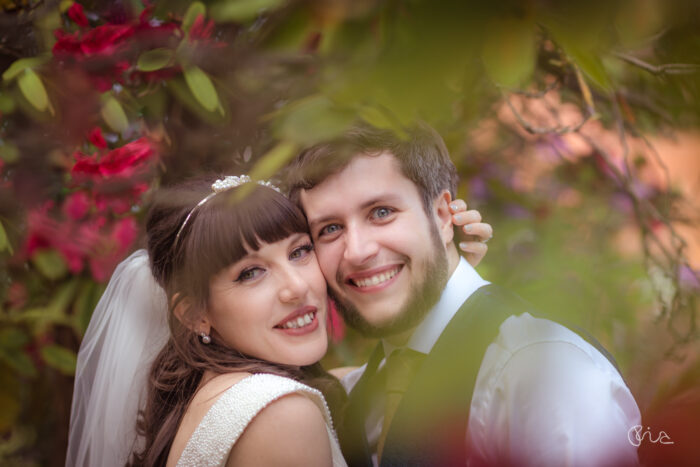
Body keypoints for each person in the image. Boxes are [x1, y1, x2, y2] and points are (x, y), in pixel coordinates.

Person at [66, 175, 490, 467]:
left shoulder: (207, 394)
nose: (296, 288)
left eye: (299, 251)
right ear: (194, 312)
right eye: (250, 273)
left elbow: (358, 379)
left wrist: (435, 274)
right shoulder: (279, 412)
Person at [285, 123, 643, 466]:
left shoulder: (548, 374)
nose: (357, 251)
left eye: (382, 212)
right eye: (330, 229)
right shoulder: (355, 393)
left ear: (442, 215)